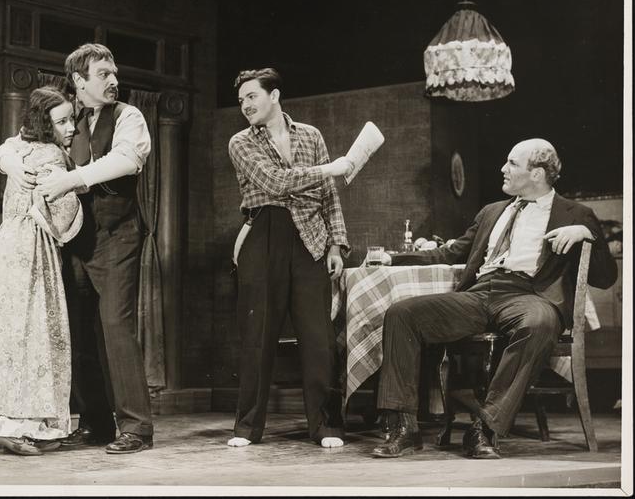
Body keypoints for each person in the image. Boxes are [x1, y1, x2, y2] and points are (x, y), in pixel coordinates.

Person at [370, 138, 617, 459]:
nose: (503, 168)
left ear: (537, 174)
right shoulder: (492, 211)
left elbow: (605, 277)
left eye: (512, 163)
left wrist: (587, 235)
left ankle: (484, 428)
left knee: (539, 322)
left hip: (529, 294)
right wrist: (394, 258)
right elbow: (452, 252)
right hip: (481, 293)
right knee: (403, 314)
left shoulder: (576, 214)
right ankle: (404, 427)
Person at [0, 43, 153, 454]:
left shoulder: (128, 116)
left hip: (117, 236)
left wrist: (71, 179)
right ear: (79, 81)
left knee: (116, 327)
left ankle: (136, 428)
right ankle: (97, 424)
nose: (113, 80)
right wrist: (11, 164)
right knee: (77, 332)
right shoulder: (67, 119)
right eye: (103, 74)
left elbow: (127, 160)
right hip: (75, 241)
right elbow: (9, 145)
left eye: (114, 73)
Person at [227, 68, 354, 448]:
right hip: (264, 233)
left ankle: (327, 427)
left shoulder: (310, 135)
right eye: (241, 100)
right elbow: (274, 182)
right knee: (258, 336)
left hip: (311, 238)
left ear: (274, 95)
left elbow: (329, 195)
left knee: (319, 338)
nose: (246, 105)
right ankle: (247, 428)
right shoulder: (240, 142)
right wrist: (327, 169)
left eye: (252, 96)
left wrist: (336, 244)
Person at [0, 86, 83, 456]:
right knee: (35, 332)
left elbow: (4, 150)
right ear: (44, 123)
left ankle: (16, 423)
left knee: (12, 333)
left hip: (7, 242)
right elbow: (65, 211)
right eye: (62, 121)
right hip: (33, 246)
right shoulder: (52, 154)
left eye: (71, 119)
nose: (71, 127)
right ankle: (15, 426)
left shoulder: (19, 146)